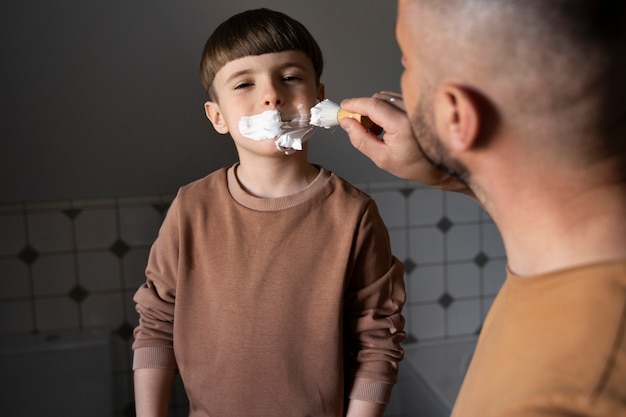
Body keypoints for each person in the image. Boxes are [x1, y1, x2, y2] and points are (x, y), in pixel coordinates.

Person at [340, 0, 626, 416]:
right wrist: (453, 172)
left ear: (456, 116)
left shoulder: (558, 401)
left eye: (408, 62)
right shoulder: (580, 264)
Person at [131, 8, 406, 417]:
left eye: (290, 77)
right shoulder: (191, 208)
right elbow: (156, 323)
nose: (272, 95)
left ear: (318, 97)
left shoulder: (354, 215)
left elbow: (377, 341)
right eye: (244, 83)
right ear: (218, 117)